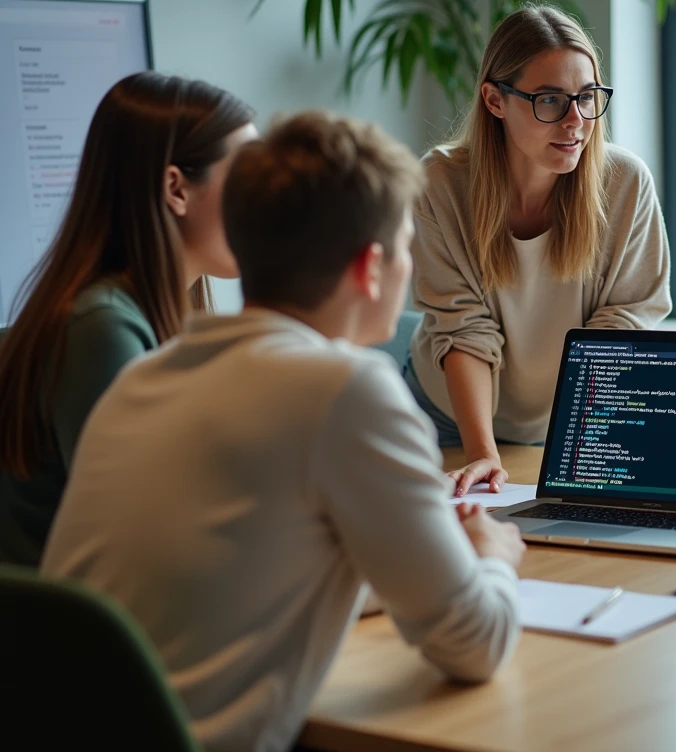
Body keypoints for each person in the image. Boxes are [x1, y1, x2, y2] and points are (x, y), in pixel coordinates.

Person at [40, 111, 526, 752]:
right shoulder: (346, 390)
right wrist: (492, 556)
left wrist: (404, 563)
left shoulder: (144, 378)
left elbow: (247, 581)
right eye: (406, 247)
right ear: (370, 267)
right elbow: (476, 644)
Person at [405, 4, 671, 497]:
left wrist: (582, 444)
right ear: (495, 100)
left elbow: (621, 326)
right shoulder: (439, 183)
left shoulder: (626, 183)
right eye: (550, 100)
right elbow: (463, 330)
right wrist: (483, 454)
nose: (576, 121)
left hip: (563, 419)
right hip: (447, 415)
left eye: (587, 97)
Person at [0, 72, 255, 566]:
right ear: (176, 189)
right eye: (247, 179)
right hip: (72, 608)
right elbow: (151, 530)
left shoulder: (153, 312)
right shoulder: (100, 330)